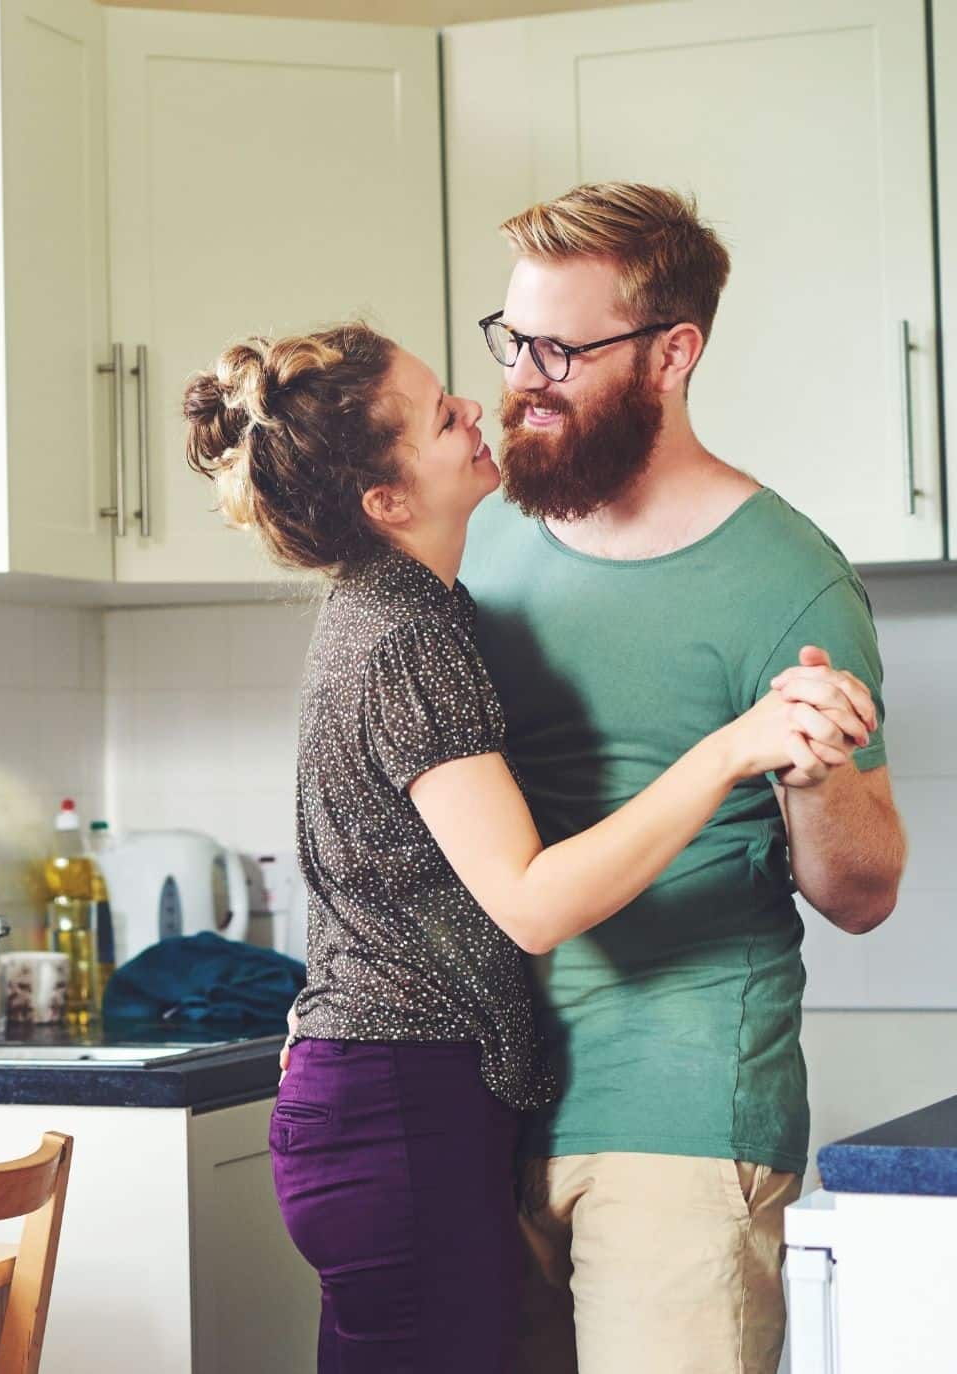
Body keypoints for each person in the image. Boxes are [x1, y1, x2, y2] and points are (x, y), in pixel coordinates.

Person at [183, 321, 875, 1373]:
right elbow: (530, 900)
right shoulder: (405, 629)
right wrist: (734, 745)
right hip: (395, 1115)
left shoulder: (404, 611)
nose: (474, 408)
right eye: (436, 417)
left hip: (384, 1106)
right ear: (384, 501)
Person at [459, 182, 907, 1374]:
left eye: (561, 346)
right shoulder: (484, 530)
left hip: (680, 1113)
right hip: (476, 1100)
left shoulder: (787, 580)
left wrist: (811, 775)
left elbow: (862, 894)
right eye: (512, 339)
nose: (524, 377)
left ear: (671, 352)